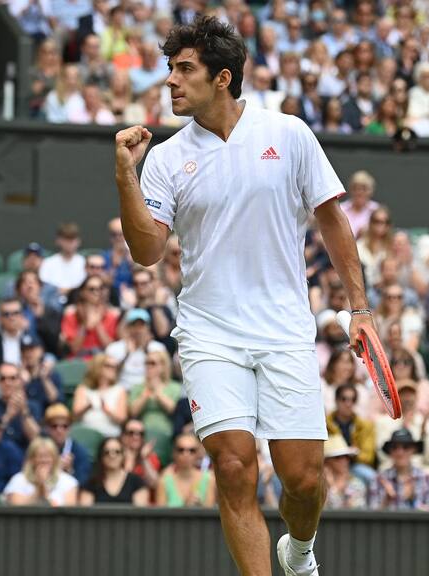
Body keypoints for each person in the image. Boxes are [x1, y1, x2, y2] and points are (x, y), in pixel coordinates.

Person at [115, 16, 371, 576]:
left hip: (284, 330)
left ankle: (299, 552)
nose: (171, 82)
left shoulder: (289, 134)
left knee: (304, 481)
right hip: (210, 333)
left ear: (223, 77)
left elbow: (331, 219)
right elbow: (147, 251)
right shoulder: (162, 157)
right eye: (170, 70)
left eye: (185, 70)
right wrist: (125, 176)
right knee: (233, 468)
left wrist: (360, 310)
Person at [369, 428, 429, 511]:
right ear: (390, 451)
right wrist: (386, 502)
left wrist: (413, 502)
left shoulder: (428, 480)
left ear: (414, 450)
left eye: (406, 447)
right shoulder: (378, 480)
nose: (400, 452)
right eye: (395, 447)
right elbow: (370, 519)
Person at [0, 363, 42, 451]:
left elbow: (37, 439)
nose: (7, 383)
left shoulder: (33, 406)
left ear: (20, 381)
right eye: (3, 379)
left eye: (12, 378)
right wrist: (8, 416)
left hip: (26, 459)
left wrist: (24, 412)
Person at [3, 436, 79, 506]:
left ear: (55, 459)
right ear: (31, 459)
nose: (44, 460)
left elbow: (67, 513)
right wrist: (39, 489)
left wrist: (44, 490)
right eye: (40, 456)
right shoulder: (18, 479)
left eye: (48, 456)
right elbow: (16, 509)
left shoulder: (69, 482)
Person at [105, 307, 167, 391]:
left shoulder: (157, 348)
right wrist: (127, 355)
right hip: (122, 390)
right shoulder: (114, 348)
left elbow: (164, 375)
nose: (138, 330)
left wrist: (146, 350)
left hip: (148, 391)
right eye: (134, 325)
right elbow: (109, 375)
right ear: (127, 327)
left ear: (148, 327)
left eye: (141, 325)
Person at [325, 383, 375, 484]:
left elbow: (368, 457)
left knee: (372, 477)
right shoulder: (324, 424)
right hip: (328, 465)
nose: (348, 403)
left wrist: (353, 454)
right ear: (336, 400)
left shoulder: (365, 426)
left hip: (354, 465)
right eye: (344, 399)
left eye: (352, 400)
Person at [60, 276, 120, 359]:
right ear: (82, 292)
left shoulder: (111, 316)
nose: (96, 292)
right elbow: (74, 348)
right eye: (92, 289)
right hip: (78, 360)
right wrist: (84, 324)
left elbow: (109, 347)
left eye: (100, 289)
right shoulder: (71, 315)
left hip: (101, 361)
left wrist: (98, 323)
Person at [79, 436, 150, 505]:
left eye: (117, 452)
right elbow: (86, 513)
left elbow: (140, 513)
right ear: (101, 456)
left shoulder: (137, 482)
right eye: (107, 452)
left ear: (123, 455)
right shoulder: (91, 484)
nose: (112, 456)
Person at [128, 349, 182, 437]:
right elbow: (133, 412)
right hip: (141, 433)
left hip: (167, 432)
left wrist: (157, 390)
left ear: (163, 366)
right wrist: (145, 393)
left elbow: (173, 410)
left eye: (152, 363)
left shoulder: (174, 387)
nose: (148, 366)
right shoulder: (137, 387)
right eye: (146, 363)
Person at [72, 354, 127, 438]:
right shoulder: (83, 388)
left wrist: (106, 409)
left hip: (110, 436)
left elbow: (122, 419)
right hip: (87, 434)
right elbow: (75, 416)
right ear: (98, 367)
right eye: (109, 366)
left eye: (116, 367)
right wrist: (88, 406)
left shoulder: (119, 390)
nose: (114, 369)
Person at [156, 432, 215, 507]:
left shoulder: (209, 479)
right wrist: (186, 506)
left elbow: (210, 515)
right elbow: (160, 516)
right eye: (181, 450)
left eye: (192, 450)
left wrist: (199, 506)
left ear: (198, 453)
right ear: (174, 453)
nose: (186, 454)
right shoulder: (164, 482)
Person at [44, 403, 91, 485]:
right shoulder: (40, 449)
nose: (59, 430)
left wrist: (70, 471)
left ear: (70, 428)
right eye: (54, 426)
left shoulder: (80, 452)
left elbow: (83, 484)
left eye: (64, 426)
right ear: (47, 428)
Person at [39, 222, 87, 299]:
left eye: (72, 239)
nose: (69, 243)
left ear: (78, 241)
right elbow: (45, 287)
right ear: (58, 240)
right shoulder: (48, 263)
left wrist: (69, 291)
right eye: (66, 239)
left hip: (77, 301)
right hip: (53, 301)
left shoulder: (84, 263)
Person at [322, 435, 367, 510]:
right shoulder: (318, 485)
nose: (344, 461)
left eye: (346, 457)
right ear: (326, 462)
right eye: (338, 457)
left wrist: (334, 489)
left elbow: (354, 513)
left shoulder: (356, 484)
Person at [19, 333, 62, 410]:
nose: (28, 354)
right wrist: (21, 383)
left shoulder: (51, 374)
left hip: (47, 417)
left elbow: (56, 401)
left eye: (32, 349)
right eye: (24, 350)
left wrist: (45, 379)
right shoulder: (15, 376)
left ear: (41, 350)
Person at [120, 416, 161, 492]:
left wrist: (144, 459)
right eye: (131, 433)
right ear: (123, 436)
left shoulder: (150, 457)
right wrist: (129, 459)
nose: (136, 437)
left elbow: (154, 484)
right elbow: (121, 486)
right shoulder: (115, 455)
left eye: (140, 433)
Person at [0, 298, 30, 370]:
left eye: (15, 313)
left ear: (22, 316)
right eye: (6, 314)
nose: (11, 317)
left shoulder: (34, 340)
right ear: (0, 319)